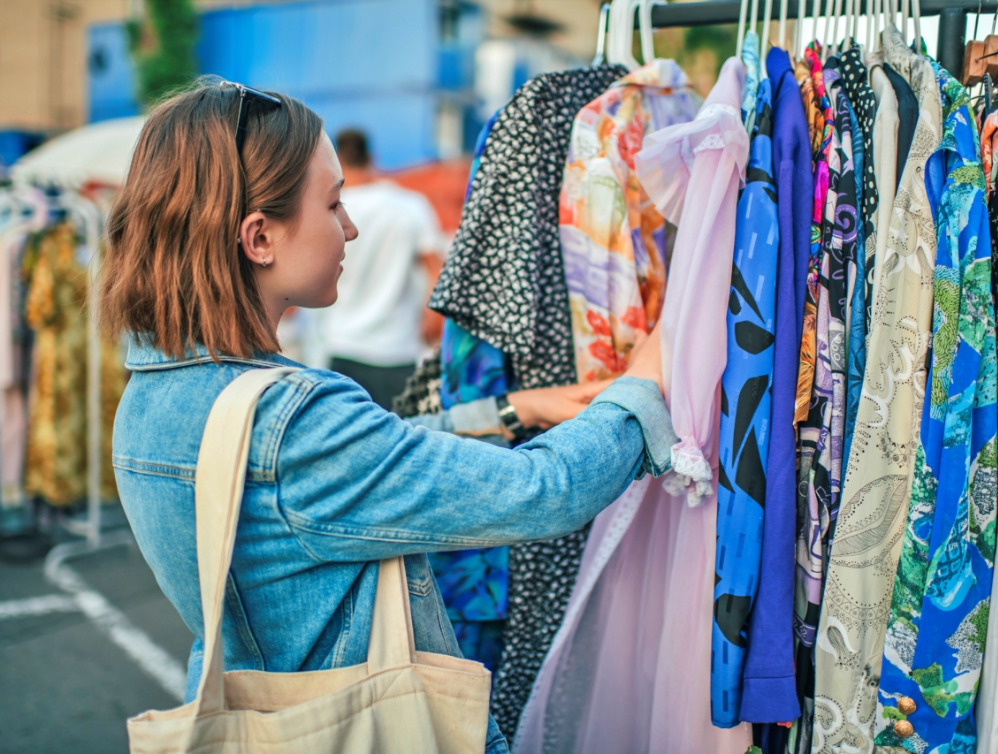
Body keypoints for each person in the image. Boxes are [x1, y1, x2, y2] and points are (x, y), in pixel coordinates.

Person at [100, 80, 674, 754]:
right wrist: (642, 385)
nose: (350, 226)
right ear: (259, 237)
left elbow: (332, 480)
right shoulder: (295, 421)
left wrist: (507, 411)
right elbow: (544, 494)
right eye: (334, 203)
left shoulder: (152, 394)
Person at [305, 128, 445, 410]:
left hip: (341, 346)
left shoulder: (326, 211)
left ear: (339, 160)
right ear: (371, 158)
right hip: (398, 349)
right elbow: (437, 272)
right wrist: (432, 320)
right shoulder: (410, 205)